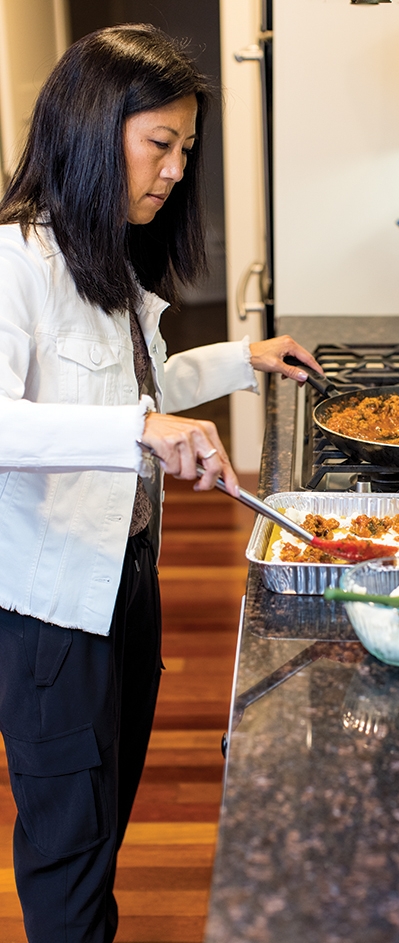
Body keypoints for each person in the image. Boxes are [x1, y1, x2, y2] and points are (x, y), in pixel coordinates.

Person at [0, 23, 320, 943]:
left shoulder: (104, 253)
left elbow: (137, 390)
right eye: (162, 145)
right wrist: (139, 427)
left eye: (186, 148)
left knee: (106, 819)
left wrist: (242, 359)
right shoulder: (18, 262)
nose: (177, 169)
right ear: (96, 130)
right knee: (69, 845)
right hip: (51, 612)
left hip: (126, 581)